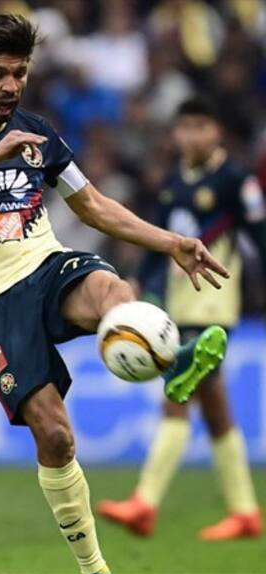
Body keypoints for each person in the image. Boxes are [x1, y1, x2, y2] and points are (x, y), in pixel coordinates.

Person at [0, 14, 229, 574]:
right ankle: (93, 568)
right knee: (55, 436)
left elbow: (93, 205)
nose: (10, 87)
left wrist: (172, 241)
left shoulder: (37, 131)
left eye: (20, 74)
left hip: (46, 264)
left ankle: (169, 362)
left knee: (113, 288)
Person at [97, 97, 265, 541]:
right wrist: (143, 289)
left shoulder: (236, 181)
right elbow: (160, 246)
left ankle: (145, 503)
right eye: (184, 127)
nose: (191, 135)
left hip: (211, 308)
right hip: (175, 306)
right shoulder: (173, 182)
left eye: (201, 126)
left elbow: (260, 238)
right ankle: (245, 512)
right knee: (215, 409)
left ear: (217, 132)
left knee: (177, 394)